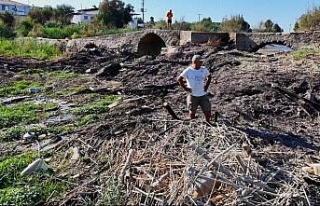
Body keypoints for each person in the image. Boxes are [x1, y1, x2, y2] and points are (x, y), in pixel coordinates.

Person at [177, 55, 212, 122]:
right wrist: (186, 88)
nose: (201, 63)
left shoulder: (203, 69)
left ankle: (208, 123)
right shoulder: (188, 70)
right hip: (193, 95)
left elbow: (209, 77)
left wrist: (206, 86)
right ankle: (192, 123)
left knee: (207, 110)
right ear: (195, 62)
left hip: (203, 94)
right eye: (200, 61)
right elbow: (179, 79)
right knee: (192, 111)